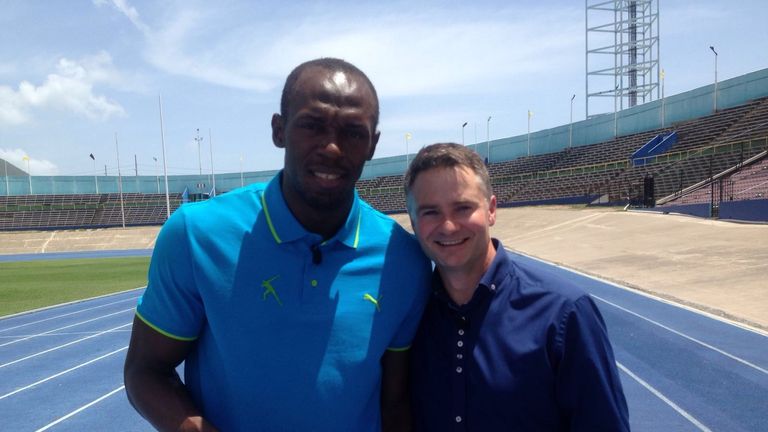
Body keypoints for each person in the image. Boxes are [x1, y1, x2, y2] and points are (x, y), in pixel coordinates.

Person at [124, 58, 431, 432]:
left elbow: (394, 402)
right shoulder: (196, 234)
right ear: (279, 130)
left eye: (353, 132)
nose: (332, 148)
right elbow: (146, 370)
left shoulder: (405, 259)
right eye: (312, 125)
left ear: (372, 145)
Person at [404, 143, 629, 431]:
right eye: (430, 212)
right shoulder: (409, 313)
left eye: (463, 207)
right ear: (413, 222)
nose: (448, 226)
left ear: (491, 210)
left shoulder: (564, 313)